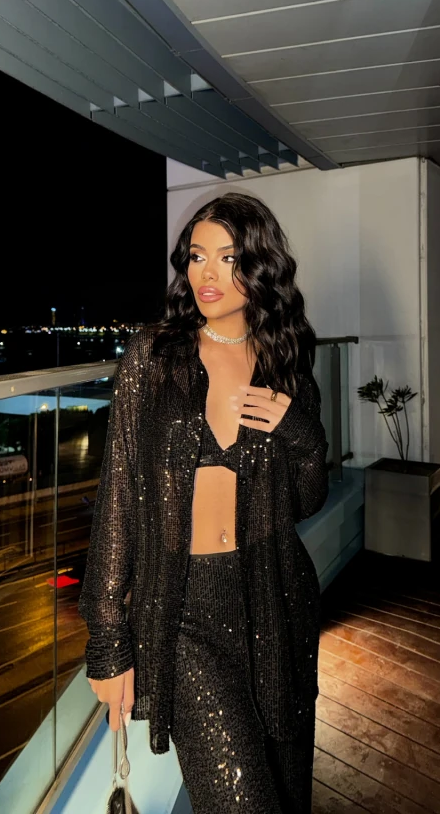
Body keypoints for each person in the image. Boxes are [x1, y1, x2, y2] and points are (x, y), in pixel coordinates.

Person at [79, 193, 329, 814]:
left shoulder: (286, 363)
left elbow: (307, 498)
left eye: (228, 257)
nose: (207, 273)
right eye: (196, 256)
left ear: (260, 266)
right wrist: (107, 636)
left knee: (289, 789)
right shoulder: (154, 358)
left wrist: (299, 432)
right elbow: (119, 495)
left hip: (277, 601)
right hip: (186, 612)